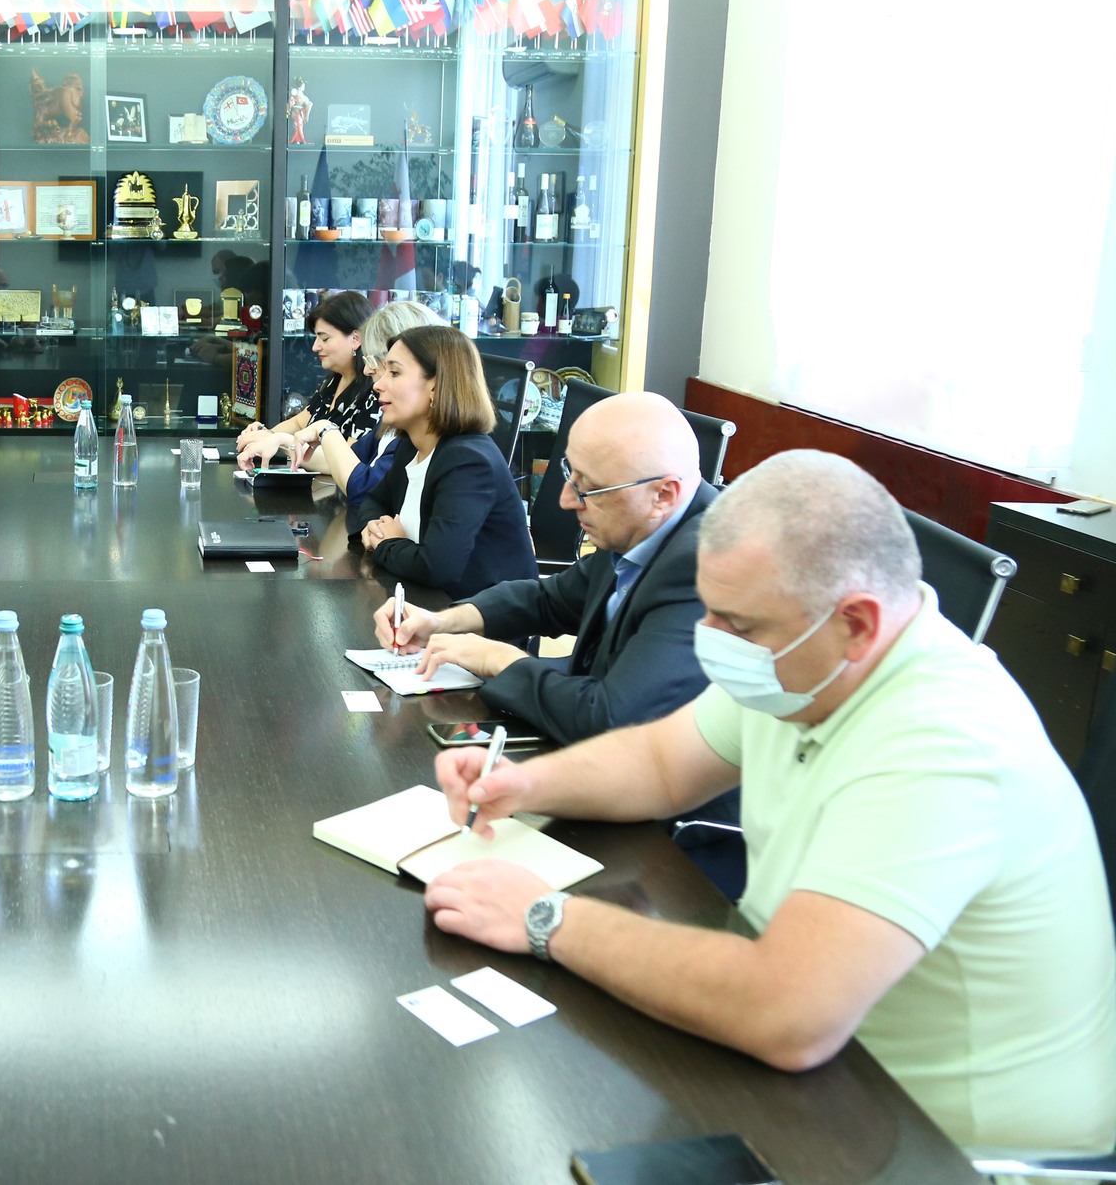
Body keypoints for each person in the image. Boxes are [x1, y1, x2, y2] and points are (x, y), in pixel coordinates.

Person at [420, 451, 1116, 1160]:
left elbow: (788, 1011)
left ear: (857, 623)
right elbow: (661, 762)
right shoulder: (809, 663)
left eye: (739, 624)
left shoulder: (943, 742)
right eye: (709, 609)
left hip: (949, 1147)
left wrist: (546, 916)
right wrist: (527, 784)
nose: (710, 641)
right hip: (832, 1083)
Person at [375, 391, 716, 745]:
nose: (566, 500)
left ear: (663, 495)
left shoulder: (706, 567)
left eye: (589, 489)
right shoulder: (640, 524)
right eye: (570, 473)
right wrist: (440, 621)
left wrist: (500, 659)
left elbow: (608, 718)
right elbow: (550, 599)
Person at [346, 325, 536, 599]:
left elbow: (436, 567)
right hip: (428, 604)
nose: (378, 384)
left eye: (395, 373)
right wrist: (375, 527)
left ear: (435, 387)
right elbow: (373, 502)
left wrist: (386, 543)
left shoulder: (468, 462)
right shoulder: (411, 445)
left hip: (483, 618)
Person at [289, 298, 439, 505]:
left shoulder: (445, 447)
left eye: (393, 371)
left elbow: (365, 489)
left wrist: (325, 430)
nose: (368, 371)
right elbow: (346, 461)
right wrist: (281, 442)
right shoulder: (394, 426)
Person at [235, 290, 379, 469]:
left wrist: (280, 441)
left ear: (356, 339)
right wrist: (263, 435)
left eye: (325, 338)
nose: (315, 347)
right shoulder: (332, 382)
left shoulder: (376, 392)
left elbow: (350, 462)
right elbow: (298, 422)